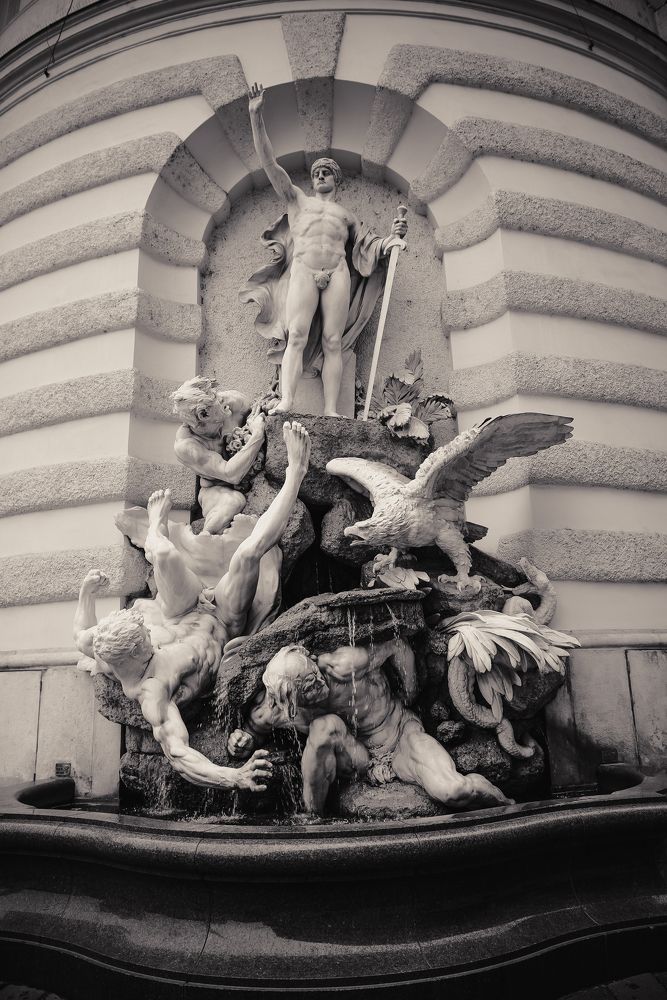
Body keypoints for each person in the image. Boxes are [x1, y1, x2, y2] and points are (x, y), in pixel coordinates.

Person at [74, 421, 311, 790]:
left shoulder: (103, 644)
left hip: (182, 610)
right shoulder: (153, 692)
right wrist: (233, 777)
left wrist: (86, 595)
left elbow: (78, 636)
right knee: (249, 553)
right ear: (137, 655)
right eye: (144, 640)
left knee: (165, 552)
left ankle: (155, 528)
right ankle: (296, 473)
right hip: (227, 622)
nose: (147, 636)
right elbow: (180, 755)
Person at [242, 82, 408, 417]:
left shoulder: (346, 215)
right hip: (303, 269)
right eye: (316, 172)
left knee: (334, 342)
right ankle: (287, 400)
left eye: (326, 172)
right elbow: (270, 164)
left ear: (336, 179)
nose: (319, 175)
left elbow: (369, 246)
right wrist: (256, 115)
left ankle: (332, 410)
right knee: (297, 336)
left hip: (337, 273)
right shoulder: (297, 200)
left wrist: (392, 238)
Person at [228, 638, 512, 813]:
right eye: (308, 691)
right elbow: (254, 732)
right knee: (323, 727)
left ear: (311, 660)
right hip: (358, 758)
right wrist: (242, 741)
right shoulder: (282, 710)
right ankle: (311, 819)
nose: (318, 688)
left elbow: (397, 645)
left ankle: (507, 806)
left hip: (399, 736)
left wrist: (410, 688)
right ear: (290, 702)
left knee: (455, 791)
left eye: (313, 677)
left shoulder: (344, 665)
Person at [172, 376, 265, 534]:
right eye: (215, 397)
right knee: (233, 501)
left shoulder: (233, 402)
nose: (221, 397)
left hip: (255, 476)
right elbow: (231, 474)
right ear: (204, 415)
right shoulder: (188, 445)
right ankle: (203, 546)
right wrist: (257, 435)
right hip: (216, 489)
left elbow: (261, 408)